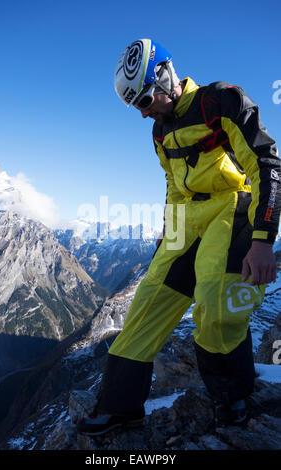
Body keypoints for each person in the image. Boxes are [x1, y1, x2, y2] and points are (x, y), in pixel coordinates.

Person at [77, 39, 281, 434]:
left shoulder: (222, 101)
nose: (143, 112)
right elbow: (174, 188)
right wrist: (166, 236)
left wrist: (262, 240)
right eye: (135, 105)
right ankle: (121, 405)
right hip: (187, 218)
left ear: (165, 77)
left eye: (144, 100)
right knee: (149, 299)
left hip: (233, 207)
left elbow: (268, 164)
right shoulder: (159, 131)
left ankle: (231, 396)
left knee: (214, 303)